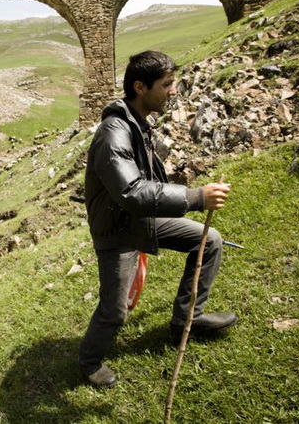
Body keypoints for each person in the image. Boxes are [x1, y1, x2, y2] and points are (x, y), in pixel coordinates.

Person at [78, 50, 236, 388]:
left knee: (209, 241)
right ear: (140, 87)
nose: (173, 90)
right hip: (118, 228)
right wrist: (195, 197)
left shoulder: (138, 124)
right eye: (166, 84)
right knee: (115, 310)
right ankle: (90, 360)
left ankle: (186, 321)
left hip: (142, 218)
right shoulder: (113, 132)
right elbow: (132, 192)